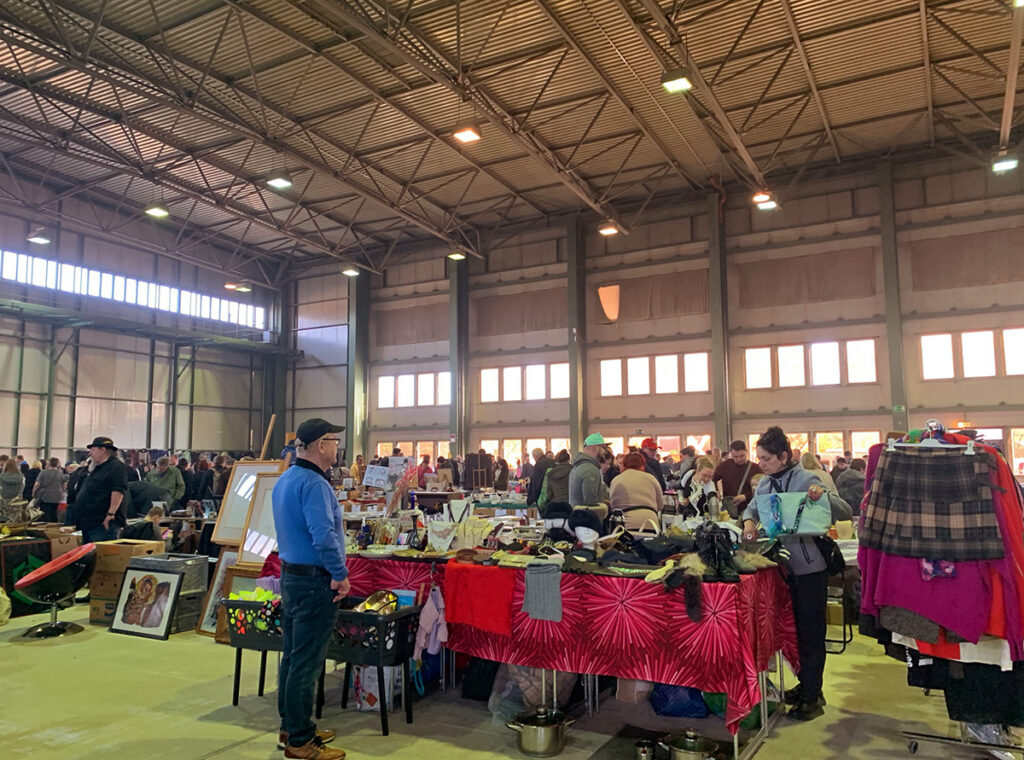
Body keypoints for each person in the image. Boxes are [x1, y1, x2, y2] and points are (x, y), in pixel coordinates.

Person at [740, 426, 851, 722]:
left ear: (784, 456)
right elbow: (749, 511)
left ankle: (813, 696)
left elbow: (844, 510)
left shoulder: (806, 478)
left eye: (766, 458)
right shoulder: (764, 484)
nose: (761, 463)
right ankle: (809, 686)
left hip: (810, 569)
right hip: (780, 570)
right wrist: (749, 525)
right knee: (793, 631)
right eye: (759, 458)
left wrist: (822, 495)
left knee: (811, 632)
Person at [273, 418, 349, 760]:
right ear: (320, 445)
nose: (337, 446)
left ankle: (292, 726)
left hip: (292, 576)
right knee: (306, 662)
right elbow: (323, 536)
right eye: (334, 440)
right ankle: (300, 740)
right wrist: (339, 573)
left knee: (292, 657)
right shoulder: (315, 484)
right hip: (316, 581)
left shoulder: (287, 478)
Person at [75, 436, 128, 543]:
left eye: (93, 449)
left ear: (103, 449)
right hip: (89, 521)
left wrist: (110, 514)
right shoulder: (95, 467)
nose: (90, 453)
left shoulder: (116, 467)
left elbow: (118, 490)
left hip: (103, 522)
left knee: (101, 554)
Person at [609, 452, 663, 531]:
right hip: (650, 523)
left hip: (625, 525)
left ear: (624, 464)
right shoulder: (651, 478)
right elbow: (660, 506)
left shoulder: (616, 480)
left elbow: (613, 505)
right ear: (642, 465)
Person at [713, 441, 756, 519]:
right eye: (735, 456)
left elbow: (762, 489)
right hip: (729, 511)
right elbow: (712, 479)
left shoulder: (755, 468)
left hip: (749, 510)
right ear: (731, 454)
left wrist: (746, 496)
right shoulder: (724, 466)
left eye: (742, 456)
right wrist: (715, 491)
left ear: (747, 451)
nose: (739, 459)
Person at [569, 434, 611, 510]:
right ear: (594, 447)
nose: (605, 452)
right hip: (588, 520)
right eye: (603, 448)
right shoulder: (590, 470)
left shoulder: (577, 467)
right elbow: (590, 503)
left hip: (577, 518)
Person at [33, 457, 68, 522]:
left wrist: (34, 492)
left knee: (45, 513)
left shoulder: (43, 472)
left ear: (49, 464)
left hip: (45, 495)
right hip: (57, 496)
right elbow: (65, 484)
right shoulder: (60, 473)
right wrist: (62, 491)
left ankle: (47, 526)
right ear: (57, 464)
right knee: (54, 512)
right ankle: (54, 525)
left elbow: (37, 484)